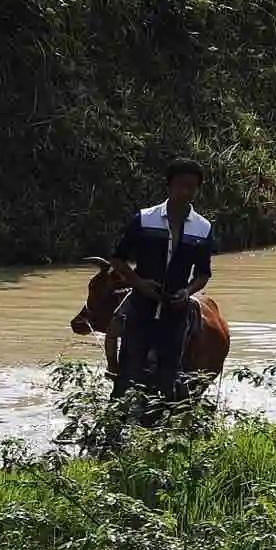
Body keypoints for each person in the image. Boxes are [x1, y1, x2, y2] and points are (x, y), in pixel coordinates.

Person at [108, 158, 214, 399]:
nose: (185, 192)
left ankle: (164, 423)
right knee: (129, 368)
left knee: (170, 372)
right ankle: (114, 421)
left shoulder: (203, 228)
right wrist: (138, 283)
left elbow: (203, 274)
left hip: (176, 309)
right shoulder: (145, 219)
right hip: (141, 304)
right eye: (180, 185)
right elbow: (117, 259)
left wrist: (187, 292)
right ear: (168, 186)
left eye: (191, 187)